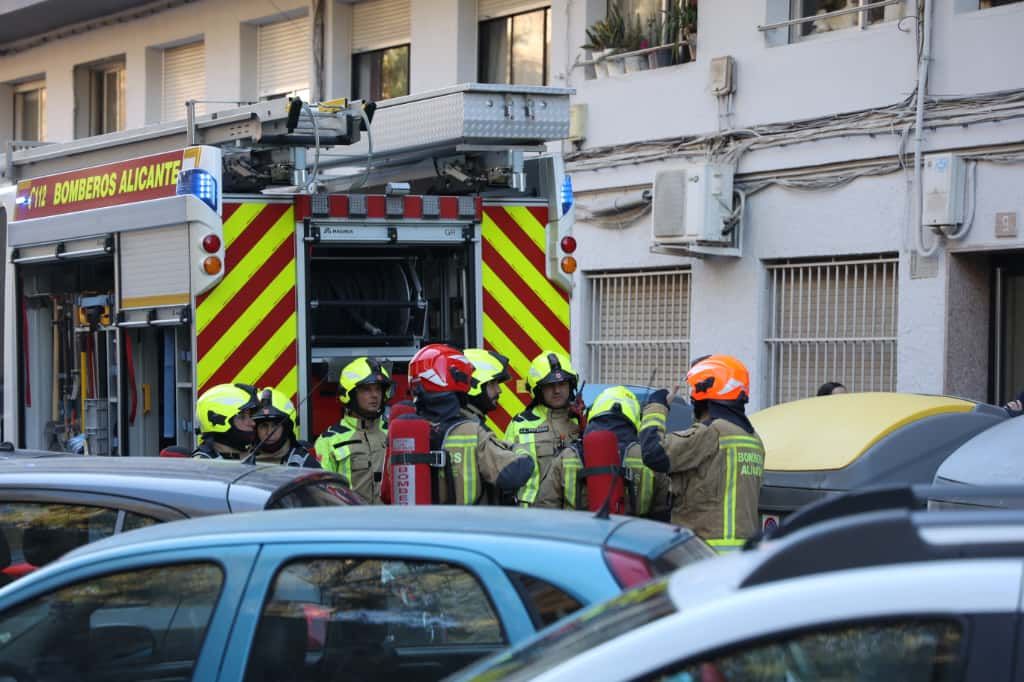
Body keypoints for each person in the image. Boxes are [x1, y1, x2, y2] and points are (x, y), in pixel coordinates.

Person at [641, 355, 765, 552]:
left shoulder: (711, 433)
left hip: (705, 553)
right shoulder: (753, 439)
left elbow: (654, 453)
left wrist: (656, 407)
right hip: (742, 554)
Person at [399, 343, 533, 505]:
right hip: (468, 526)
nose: (499, 391)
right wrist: (517, 449)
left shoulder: (404, 429)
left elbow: (386, 493)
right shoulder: (469, 430)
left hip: (420, 526)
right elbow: (515, 472)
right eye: (493, 384)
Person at [535, 386, 670, 517]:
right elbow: (664, 512)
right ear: (635, 417)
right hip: (633, 537)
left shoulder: (568, 456)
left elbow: (545, 505)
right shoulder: (648, 458)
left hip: (576, 537)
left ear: (593, 413)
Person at [507, 351, 583, 507]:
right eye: (550, 386)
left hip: (575, 514)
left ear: (571, 385)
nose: (557, 390)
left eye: (562, 384)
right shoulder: (520, 424)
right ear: (538, 390)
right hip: (532, 514)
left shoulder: (582, 420)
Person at [314, 357, 391, 504]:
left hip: (390, 522)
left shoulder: (393, 433)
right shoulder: (329, 440)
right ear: (350, 394)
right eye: (367, 389)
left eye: (378, 389)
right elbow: (321, 493)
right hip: (350, 523)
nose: (374, 395)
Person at [250, 387, 319, 467]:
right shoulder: (243, 458)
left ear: (286, 429)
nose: (269, 432)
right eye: (263, 426)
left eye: (275, 426)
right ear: (255, 429)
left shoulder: (304, 463)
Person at [192, 383, 259, 459]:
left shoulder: (249, 458)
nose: (252, 423)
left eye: (251, 416)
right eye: (242, 417)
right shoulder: (203, 465)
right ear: (218, 421)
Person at [462, 348, 512, 432]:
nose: (499, 390)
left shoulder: (469, 421)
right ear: (474, 384)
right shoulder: (470, 428)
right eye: (492, 383)